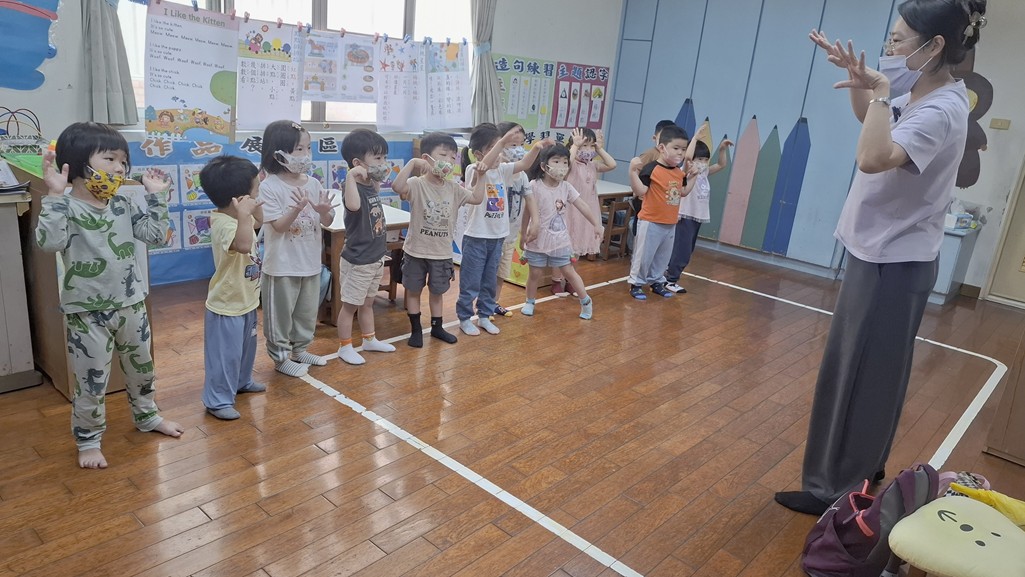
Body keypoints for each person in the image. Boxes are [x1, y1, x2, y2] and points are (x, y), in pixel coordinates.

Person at [775, 0, 985, 515]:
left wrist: (882, 90)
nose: (890, 46)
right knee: (867, 372)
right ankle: (857, 473)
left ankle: (836, 490)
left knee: (860, 375)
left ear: (934, 45)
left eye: (899, 39)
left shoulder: (941, 109)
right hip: (883, 254)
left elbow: (872, 157)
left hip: (893, 261)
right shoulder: (922, 91)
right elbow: (872, 123)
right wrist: (864, 86)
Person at [35, 122, 184, 469]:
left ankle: (147, 416)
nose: (119, 168)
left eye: (123, 161)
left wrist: (156, 196)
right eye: (110, 159)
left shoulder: (122, 204)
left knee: (142, 370)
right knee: (91, 383)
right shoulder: (65, 206)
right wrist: (54, 196)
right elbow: (49, 243)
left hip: (132, 304)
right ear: (77, 163)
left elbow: (156, 236)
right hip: (87, 313)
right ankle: (88, 440)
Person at [456, 123, 551, 336]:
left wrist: (536, 148)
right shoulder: (474, 169)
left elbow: (524, 164)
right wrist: (502, 142)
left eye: (500, 148)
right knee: (471, 281)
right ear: (478, 154)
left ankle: (484, 315)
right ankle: (464, 318)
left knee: (490, 280)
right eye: (493, 148)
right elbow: (484, 166)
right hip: (476, 237)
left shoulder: (503, 171)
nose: (499, 153)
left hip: (497, 237)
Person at [391, 132, 485, 348]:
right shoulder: (416, 184)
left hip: (441, 253)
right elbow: (397, 187)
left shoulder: (453, 188)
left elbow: (477, 198)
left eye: (453, 157)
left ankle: (437, 327)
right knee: (413, 291)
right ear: (427, 158)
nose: (449, 161)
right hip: (415, 251)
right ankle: (416, 330)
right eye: (443, 155)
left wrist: (482, 176)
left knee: (437, 292)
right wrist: (413, 163)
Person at [258, 120, 336, 377]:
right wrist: (296, 209)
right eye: (299, 149)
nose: (305, 155)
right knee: (280, 316)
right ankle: (281, 358)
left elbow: (327, 221)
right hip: (281, 266)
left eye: (308, 148)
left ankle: (300, 350)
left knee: (305, 312)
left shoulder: (313, 183)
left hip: (310, 263)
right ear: (278, 153)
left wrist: (324, 212)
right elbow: (279, 226)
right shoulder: (269, 186)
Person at [199, 156, 266, 420]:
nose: (258, 192)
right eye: (255, 188)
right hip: (226, 305)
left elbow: (259, 223)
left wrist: (252, 209)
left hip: (246, 299)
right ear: (239, 199)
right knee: (225, 355)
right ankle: (217, 400)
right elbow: (243, 245)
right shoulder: (224, 224)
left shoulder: (239, 218)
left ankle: (241, 381)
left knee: (245, 350)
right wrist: (245, 215)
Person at [519, 144, 603, 318]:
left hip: (560, 240)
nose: (562, 166)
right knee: (535, 273)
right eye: (556, 161)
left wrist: (596, 224)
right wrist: (523, 234)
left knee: (568, 272)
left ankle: (586, 302)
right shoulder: (534, 185)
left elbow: (583, 205)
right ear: (544, 166)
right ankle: (530, 301)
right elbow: (527, 212)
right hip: (536, 239)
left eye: (565, 162)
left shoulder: (566, 187)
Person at [336, 128, 397, 364]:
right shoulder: (351, 186)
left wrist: (373, 176)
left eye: (384, 157)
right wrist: (351, 177)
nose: (383, 163)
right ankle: (344, 346)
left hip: (375, 256)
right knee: (350, 306)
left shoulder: (369, 184)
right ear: (357, 163)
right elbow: (352, 206)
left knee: (368, 302)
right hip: (358, 259)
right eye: (378, 158)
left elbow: (375, 191)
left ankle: (369, 339)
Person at [627, 124, 696, 300]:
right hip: (650, 221)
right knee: (644, 255)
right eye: (676, 148)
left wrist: (693, 176)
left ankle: (657, 281)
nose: (680, 153)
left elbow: (683, 192)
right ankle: (636, 283)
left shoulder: (678, 173)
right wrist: (632, 171)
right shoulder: (651, 169)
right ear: (662, 147)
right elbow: (640, 191)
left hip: (670, 222)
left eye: (683, 149)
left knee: (663, 257)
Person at [664, 126, 733, 293]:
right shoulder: (687, 172)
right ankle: (670, 279)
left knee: (688, 250)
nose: (703, 163)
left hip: (697, 217)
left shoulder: (704, 173)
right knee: (682, 249)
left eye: (705, 159)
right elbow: (688, 157)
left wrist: (722, 149)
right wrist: (694, 138)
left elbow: (722, 164)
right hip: (685, 215)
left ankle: (669, 275)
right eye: (700, 159)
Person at [493, 121, 530, 316]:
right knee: (489, 271)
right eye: (513, 145)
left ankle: (493, 302)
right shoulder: (497, 171)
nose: (519, 150)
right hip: (492, 235)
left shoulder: (522, 176)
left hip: (510, 235)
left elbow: (530, 200)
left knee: (501, 272)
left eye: (521, 145)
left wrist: (532, 225)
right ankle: (483, 304)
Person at [628, 119, 677, 237]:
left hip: (659, 202)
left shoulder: (671, 157)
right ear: (655, 138)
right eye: (662, 137)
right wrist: (636, 192)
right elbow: (636, 170)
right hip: (644, 200)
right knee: (641, 233)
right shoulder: (650, 154)